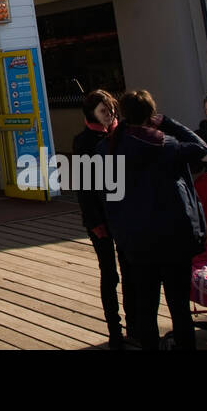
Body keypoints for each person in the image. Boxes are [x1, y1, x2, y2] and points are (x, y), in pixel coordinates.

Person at [98, 90, 207, 350]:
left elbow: (105, 195)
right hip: (173, 235)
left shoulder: (107, 147)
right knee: (179, 306)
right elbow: (201, 147)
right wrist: (168, 122)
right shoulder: (165, 144)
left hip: (135, 238)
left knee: (146, 306)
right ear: (151, 114)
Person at [74, 89, 130, 350]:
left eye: (111, 110)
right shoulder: (84, 141)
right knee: (109, 273)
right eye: (103, 111)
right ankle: (114, 328)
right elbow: (84, 186)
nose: (109, 115)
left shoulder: (126, 134)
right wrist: (95, 221)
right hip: (101, 218)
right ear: (91, 114)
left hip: (129, 214)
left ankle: (136, 323)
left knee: (132, 271)